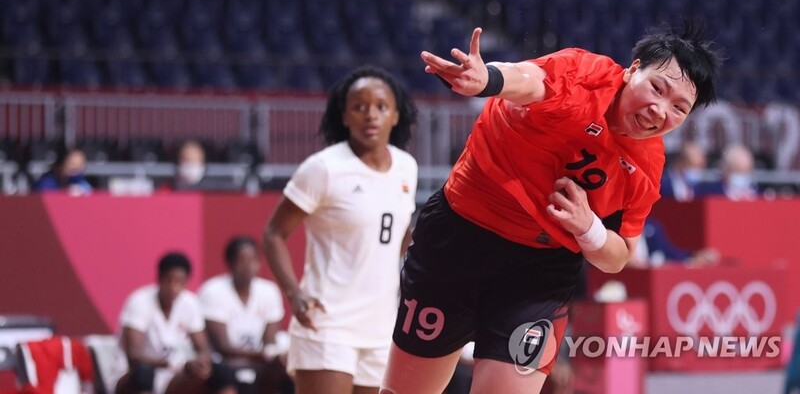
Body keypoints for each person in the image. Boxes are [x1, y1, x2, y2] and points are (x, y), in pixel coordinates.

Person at [381, 23, 722, 393]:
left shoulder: (646, 165)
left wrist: (587, 226)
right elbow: (529, 79)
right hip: (459, 239)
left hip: (538, 273)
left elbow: (619, 255)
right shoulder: (585, 75)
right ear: (633, 69)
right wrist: (487, 79)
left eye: (679, 108)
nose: (660, 109)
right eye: (658, 87)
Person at [263, 65, 418, 394]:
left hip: (380, 327)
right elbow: (274, 234)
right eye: (359, 107)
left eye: (380, 107)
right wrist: (295, 293)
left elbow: (399, 238)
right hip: (327, 323)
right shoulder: (324, 168)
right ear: (344, 116)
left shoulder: (407, 166)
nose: (370, 115)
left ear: (395, 115)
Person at [115, 252, 236, 394]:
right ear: (159, 278)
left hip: (174, 377)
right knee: (144, 373)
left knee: (221, 373)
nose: (173, 287)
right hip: (136, 376)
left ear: (187, 282)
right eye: (169, 280)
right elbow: (134, 356)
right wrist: (175, 364)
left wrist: (202, 363)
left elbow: (202, 349)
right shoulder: (139, 301)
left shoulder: (190, 303)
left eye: (180, 282)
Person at [199, 236, 290, 394]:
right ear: (230, 263)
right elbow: (223, 348)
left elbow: (269, 342)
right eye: (242, 260)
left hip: (260, 363)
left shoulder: (269, 291)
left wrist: (274, 357)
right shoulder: (213, 291)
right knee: (221, 373)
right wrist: (261, 355)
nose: (249, 266)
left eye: (254, 259)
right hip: (224, 365)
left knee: (289, 371)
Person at [628, 217, 720, 268]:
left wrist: (692, 256)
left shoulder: (652, 225)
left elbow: (668, 251)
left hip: (648, 272)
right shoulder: (616, 225)